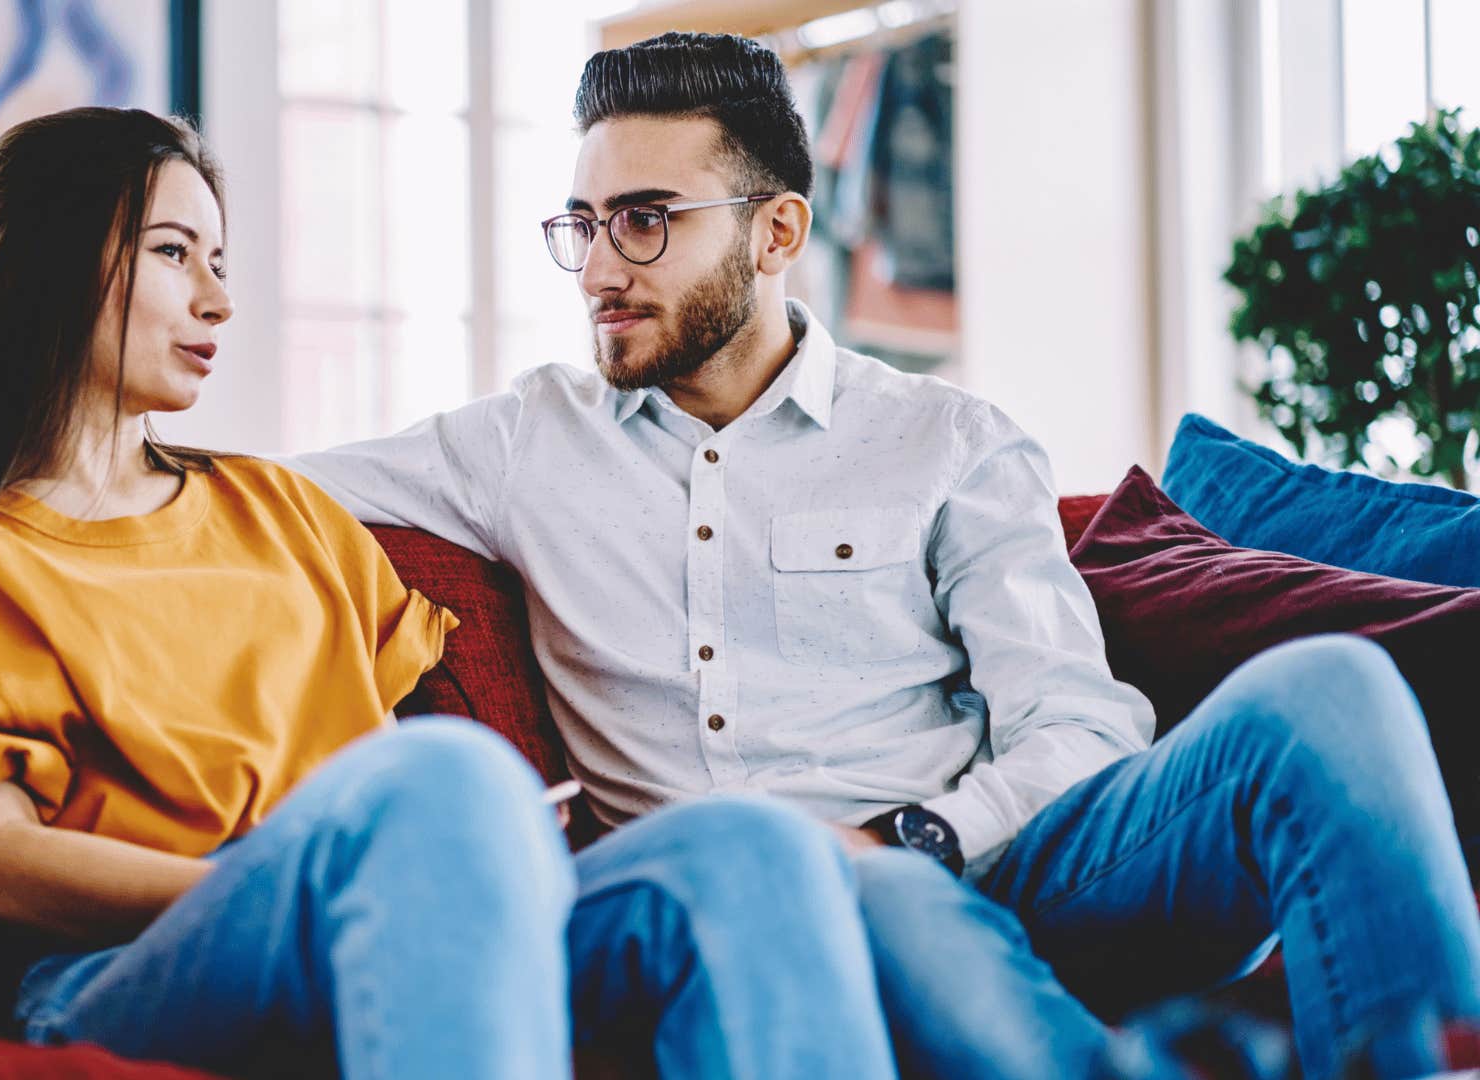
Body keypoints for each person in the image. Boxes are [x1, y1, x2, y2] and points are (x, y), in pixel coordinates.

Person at [283, 32, 1480, 1079]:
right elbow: (248, 490)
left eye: (645, 221)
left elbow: (1076, 723)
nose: (601, 266)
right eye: (584, 224)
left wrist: (926, 833)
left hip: (1006, 857)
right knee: (875, 889)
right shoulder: (516, 444)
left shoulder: (945, 441)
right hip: (775, 897)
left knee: (1331, 688)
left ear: (778, 231)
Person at [0, 106, 898, 1080]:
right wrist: (331, 887)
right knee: (440, 783)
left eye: (221, 258)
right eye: (174, 252)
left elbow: (395, 774)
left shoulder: (279, 509)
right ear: (50, 263)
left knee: (754, 845)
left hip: (401, 902)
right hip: (133, 967)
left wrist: (440, 882)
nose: (220, 300)